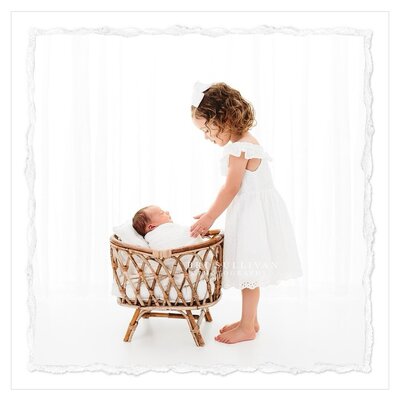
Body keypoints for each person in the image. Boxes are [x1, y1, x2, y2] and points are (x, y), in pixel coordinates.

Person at [190, 81, 303, 344]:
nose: (207, 136)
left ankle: (248, 328)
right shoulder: (246, 142)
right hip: (254, 213)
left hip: (252, 218)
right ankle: (249, 320)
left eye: (207, 129)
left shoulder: (239, 148)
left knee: (248, 273)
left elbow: (230, 188)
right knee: (248, 273)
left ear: (225, 118)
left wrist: (209, 217)